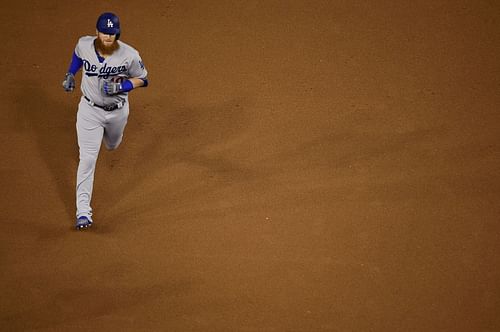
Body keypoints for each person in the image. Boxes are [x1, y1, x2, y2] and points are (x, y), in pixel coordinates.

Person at [62, 12, 149, 230]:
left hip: (117, 112)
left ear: (117, 33)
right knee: (88, 159)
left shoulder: (129, 55)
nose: (108, 37)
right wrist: (71, 74)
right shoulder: (84, 45)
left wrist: (123, 87)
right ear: (97, 32)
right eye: (104, 33)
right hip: (89, 111)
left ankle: (108, 139)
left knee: (112, 144)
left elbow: (143, 79)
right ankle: (83, 212)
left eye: (112, 33)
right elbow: (77, 57)